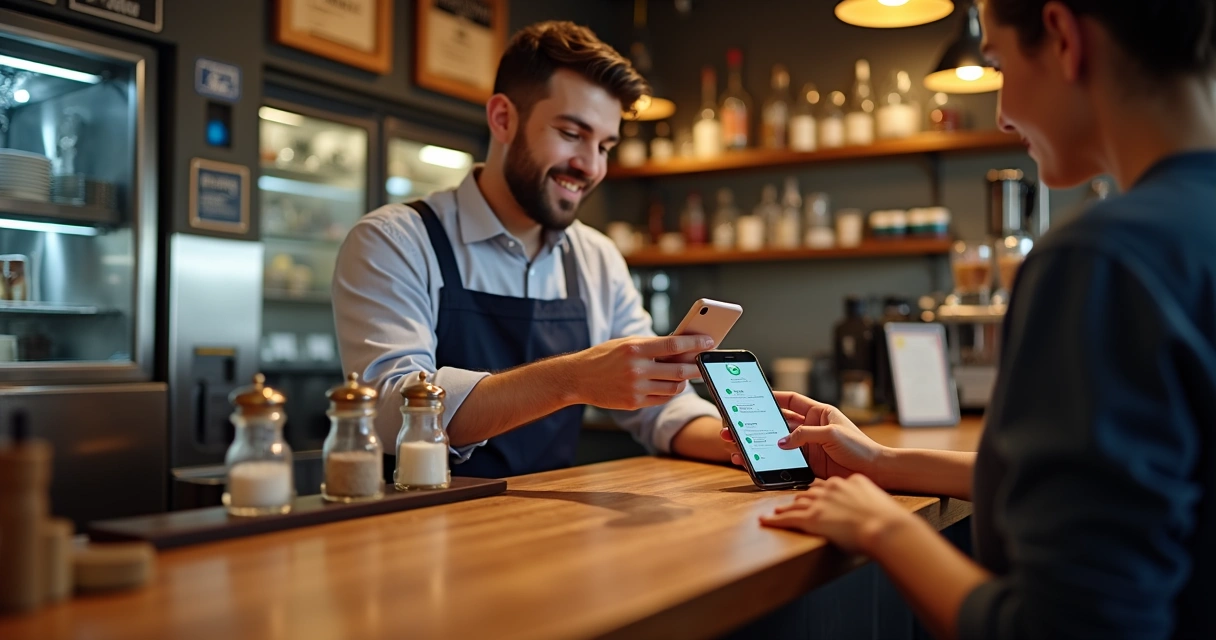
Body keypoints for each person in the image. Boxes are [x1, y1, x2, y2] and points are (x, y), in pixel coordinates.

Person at [728, 1, 1216, 638]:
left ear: (1065, 39)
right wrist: (880, 461)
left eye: (999, 64)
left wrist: (883, 527)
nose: (1003, 112)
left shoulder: (1102, 261)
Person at [333, 21, 729, 478]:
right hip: (417, 523)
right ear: (503, 118)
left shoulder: (597, 258)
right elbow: (391, 410)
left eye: (604, 145)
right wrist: (573, 379)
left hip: (547, 527)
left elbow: (663, 410)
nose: (591, 166)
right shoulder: (395, 240)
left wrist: (748, 444)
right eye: (571, 134)